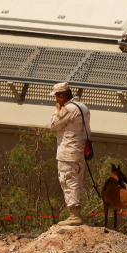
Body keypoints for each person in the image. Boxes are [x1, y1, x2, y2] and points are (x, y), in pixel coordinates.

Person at [47, 82, 91, 227]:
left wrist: (57, 111)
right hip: (79, 152)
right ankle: (76, 212)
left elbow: (53, 125)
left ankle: (74, 215)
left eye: (56, 98)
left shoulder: (68, 109)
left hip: (68, 153)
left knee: (68, 181)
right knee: (77, 182)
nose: (56, 101)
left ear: (61, 96)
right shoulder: (83, 107)